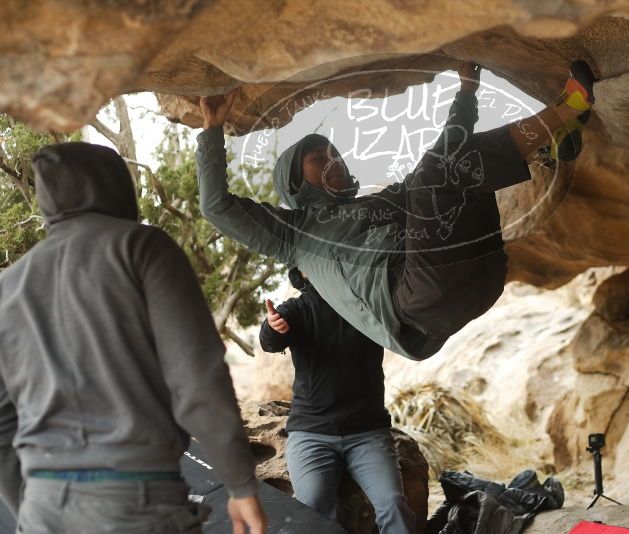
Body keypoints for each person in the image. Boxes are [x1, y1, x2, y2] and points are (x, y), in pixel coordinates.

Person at [196, 60, 595, 361]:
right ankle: (568, 109)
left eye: (334, 152)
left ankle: (551, 138)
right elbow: (217, 207)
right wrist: (211, 131)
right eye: (319, 157)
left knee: (450, 167)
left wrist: (467, 93)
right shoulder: (293, 235)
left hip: (479, 276)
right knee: (433, 175)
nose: (334, 160)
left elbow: (441, 157)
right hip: (416, 304)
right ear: (296, 184)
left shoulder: (378, 204)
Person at [0, 142, 267, 533]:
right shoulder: (141, 246)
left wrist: (29, 505)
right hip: (135, 502)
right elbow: (197, 380)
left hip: (43, 507)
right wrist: (241, 484)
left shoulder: (9, 286)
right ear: (115, 186)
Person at [260, 268, 415, 533]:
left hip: (368, 432)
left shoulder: (369, 303)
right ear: (302, 273)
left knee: (393, 503)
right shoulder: (299, 309)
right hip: (311, 435)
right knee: (312, 508)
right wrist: (272, 327)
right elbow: (270, 340)